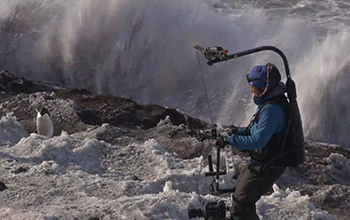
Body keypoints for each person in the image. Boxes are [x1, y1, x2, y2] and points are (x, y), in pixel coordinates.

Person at [217, 62, 288, 220]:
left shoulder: (271, 109)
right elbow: (254, 130)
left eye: (253, 86)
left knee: (241, 204)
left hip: (268, 164)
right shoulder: (267, 102)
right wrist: (235, 131)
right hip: (262, 160)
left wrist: (230, 140)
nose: (251, 90)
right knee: (240, 198)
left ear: (262, 87)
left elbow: (258, 140)